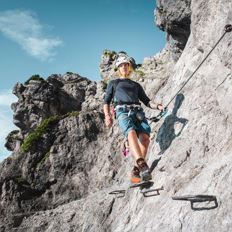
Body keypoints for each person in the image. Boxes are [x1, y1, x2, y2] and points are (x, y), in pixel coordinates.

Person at [103, 55, 163, 183]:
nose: (124, 67)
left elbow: (146, 101)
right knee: (130, 132)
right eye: (121, 65)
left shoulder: (136, 85)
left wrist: (157, 106)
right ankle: (142, 164)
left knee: (145, 139)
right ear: (118, 68)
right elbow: (106, 101)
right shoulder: (113, 83)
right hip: (122, 111)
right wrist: (107, 116)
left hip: (138, 112)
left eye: (126, 65)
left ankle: (136, 171)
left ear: (129, 67)